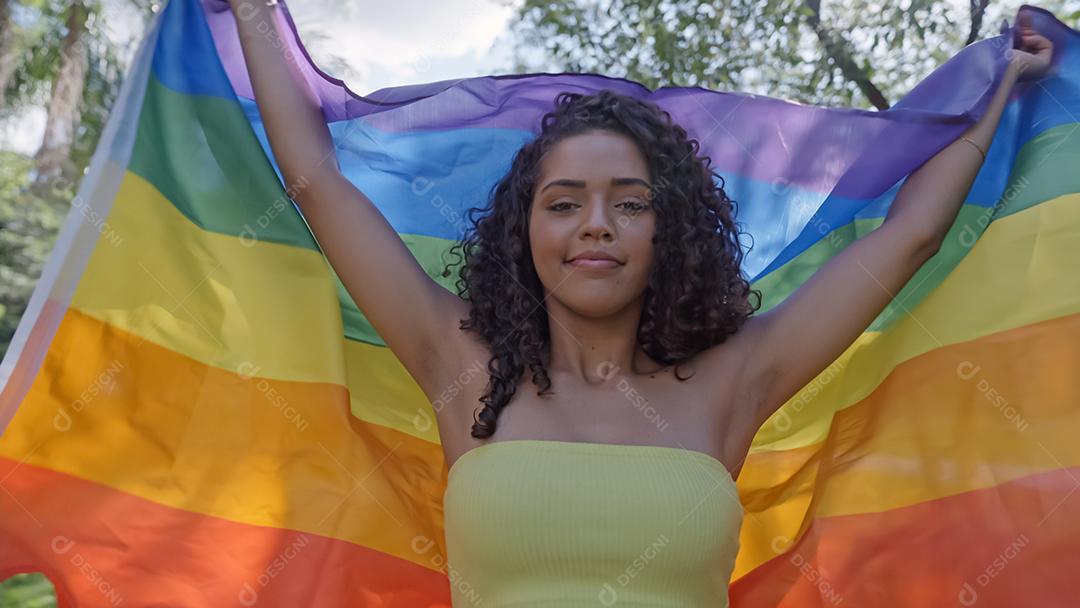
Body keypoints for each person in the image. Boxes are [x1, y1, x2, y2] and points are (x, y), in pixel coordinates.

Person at [225, 1, 1053, 605]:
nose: (596, 226)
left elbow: (905, 238)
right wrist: (256, 13)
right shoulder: (460, 364)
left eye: (629, 202)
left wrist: (1001, 92)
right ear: (526, 232)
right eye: (563, 203)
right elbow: (315, 178)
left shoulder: (735, 379)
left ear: (670, 230)